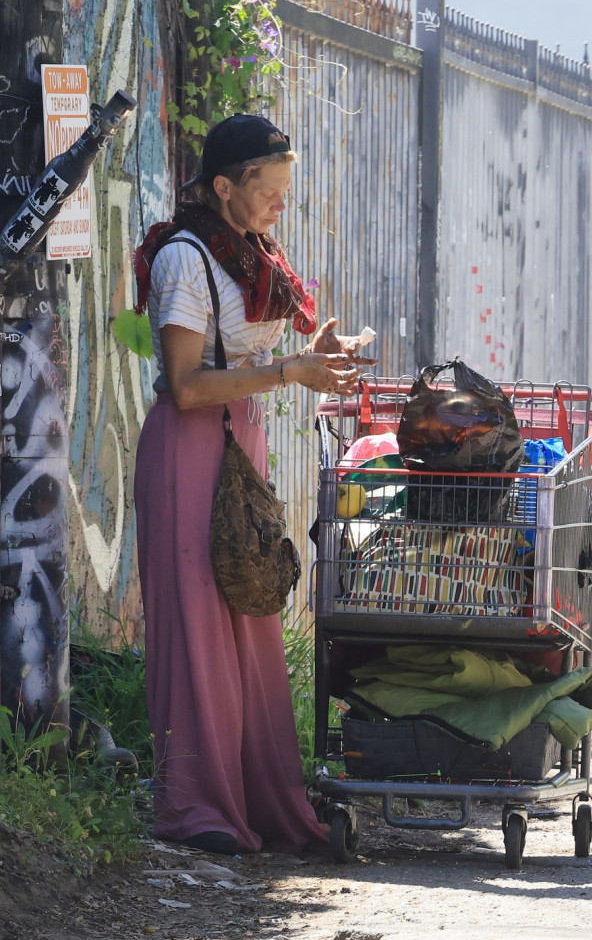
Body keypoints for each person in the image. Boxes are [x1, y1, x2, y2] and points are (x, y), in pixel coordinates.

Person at [132, 113, 375, 856]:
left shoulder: (249, 253)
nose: (279, 206)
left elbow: (242, 354)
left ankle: (263, 802)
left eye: (284, 191)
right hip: (188, 448)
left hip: (240, 444)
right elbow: (183, 384)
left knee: (250, 620)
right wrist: (288, 373)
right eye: (267, 190)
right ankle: (199, 809)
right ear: (224, 186)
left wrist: (313, 354)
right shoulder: (185, 257)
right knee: (199, 629)